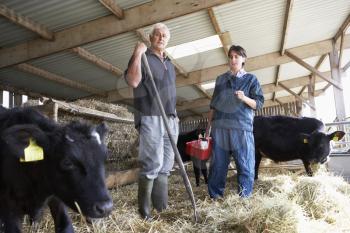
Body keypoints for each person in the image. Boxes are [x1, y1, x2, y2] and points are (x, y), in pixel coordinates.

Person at [125, 23, 179, 219]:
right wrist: (138, 53)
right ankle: (144, 212)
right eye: (157, 34)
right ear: (150, 37)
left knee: (166, 165)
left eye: (165, 35)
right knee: (152, 164)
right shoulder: (144, 58)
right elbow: (132, 81)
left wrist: (175, 115)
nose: (161, 37)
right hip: (151, 116)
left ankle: (161, 208)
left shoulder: (170, 63)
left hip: (171, 119)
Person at [206, 45, 264, 198]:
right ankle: (215, 197)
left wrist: (244, 98)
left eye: (236, 57)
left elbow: (258, 104)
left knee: (245, 163)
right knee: (218, 165)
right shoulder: (220, 79)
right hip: (219, 128)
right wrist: (207, 131)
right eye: (231, 57)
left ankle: (244, 198)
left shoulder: (251, 79)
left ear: (243, 59)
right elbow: (213, 105)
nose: (233, 60)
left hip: (241, 127)